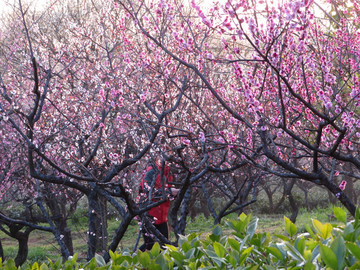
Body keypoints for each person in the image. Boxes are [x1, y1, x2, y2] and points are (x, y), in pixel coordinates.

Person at [139, 164, 178, 251]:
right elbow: (148, 191)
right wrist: (169, 191)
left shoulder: (168, 173)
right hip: (149, 215)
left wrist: (174, 194)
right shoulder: (151, 172)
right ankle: (131, 260)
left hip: (162, 217)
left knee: (165, 245)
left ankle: (164, 263)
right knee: (149, 245)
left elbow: (166, 196)